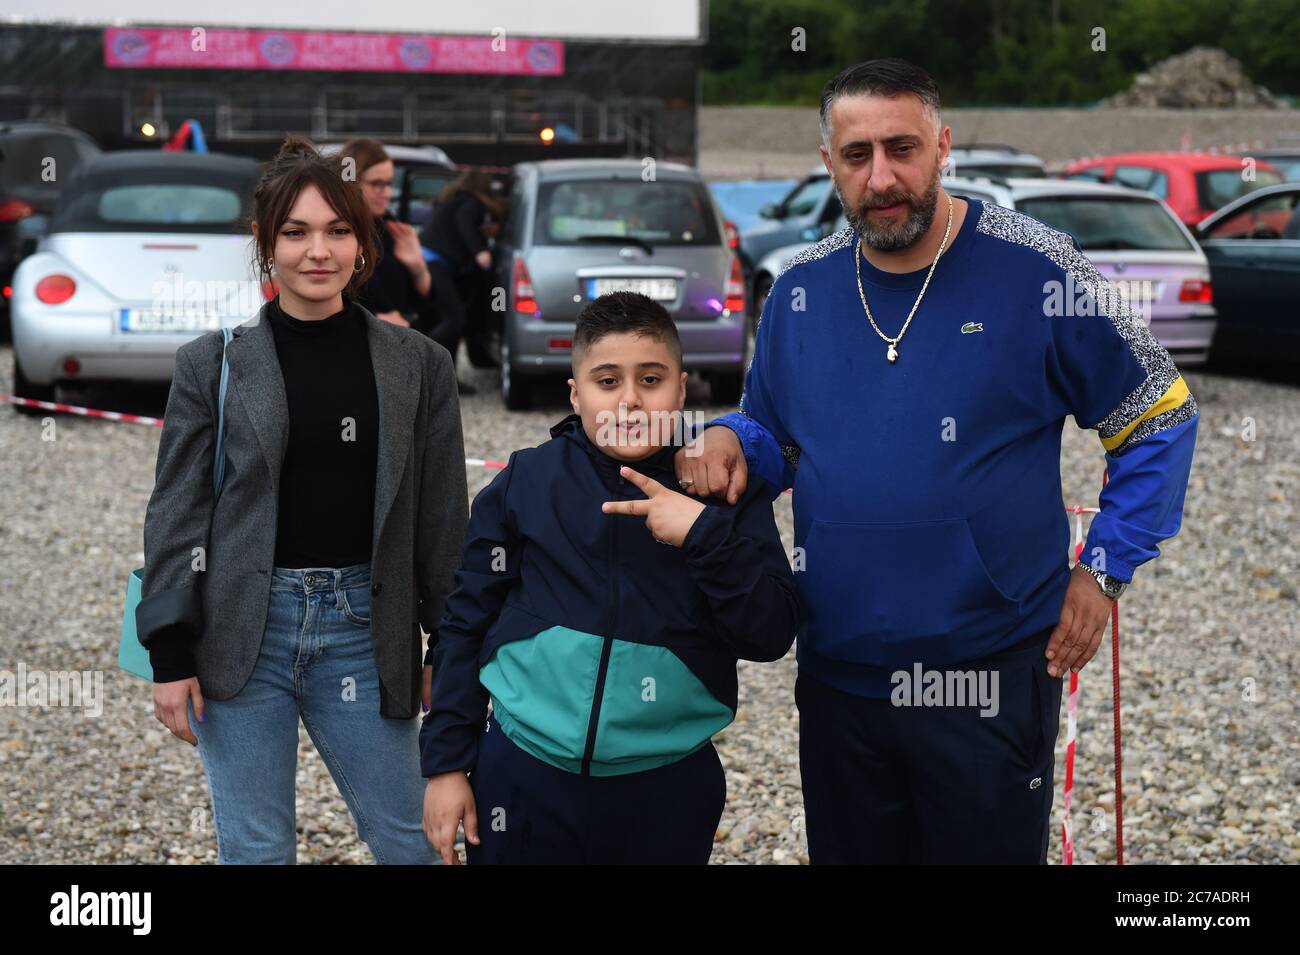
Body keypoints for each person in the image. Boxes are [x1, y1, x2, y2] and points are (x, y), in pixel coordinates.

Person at [675, 59, 1199, 864]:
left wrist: (1104, 569)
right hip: (841, 679)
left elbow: (1160, 411)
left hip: (990, 675)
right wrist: (725, 440)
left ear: (943, 145)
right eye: (858, 156)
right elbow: (773, 437)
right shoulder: (798, 291)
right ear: (829, 164)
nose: (882, 177)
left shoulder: (1039, 265)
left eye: (902, 148)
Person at [136, 134, 469, 864]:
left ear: (362, 241)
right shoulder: (211, 363)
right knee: (256, 850)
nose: (318, 251)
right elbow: (176, 515)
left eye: (337, 230)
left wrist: (451, 645)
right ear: (266, 242)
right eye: (295, 232)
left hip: (364, 627)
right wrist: (167, 651)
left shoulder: (420, 365)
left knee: (415, 842)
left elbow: (444, 521)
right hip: (240, 634)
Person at [419, 291, 798, 864]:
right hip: (523, 775)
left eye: (651, 380)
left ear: (681, 388)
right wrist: (447, 764)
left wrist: (702, 535)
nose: (629, 401)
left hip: (666, 784)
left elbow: (769, 635)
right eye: (607, 381)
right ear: (576, 393)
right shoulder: (528, 481)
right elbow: (463, 621)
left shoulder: (721, 494)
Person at [419, 170, 504, 381]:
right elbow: (465, 223)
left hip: (431, 259)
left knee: (451, 320)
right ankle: (417, 359)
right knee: (454, 319)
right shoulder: (471, 202)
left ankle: (448, 379)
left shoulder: (451, 198)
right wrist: (480, 252)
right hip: (435, 262)